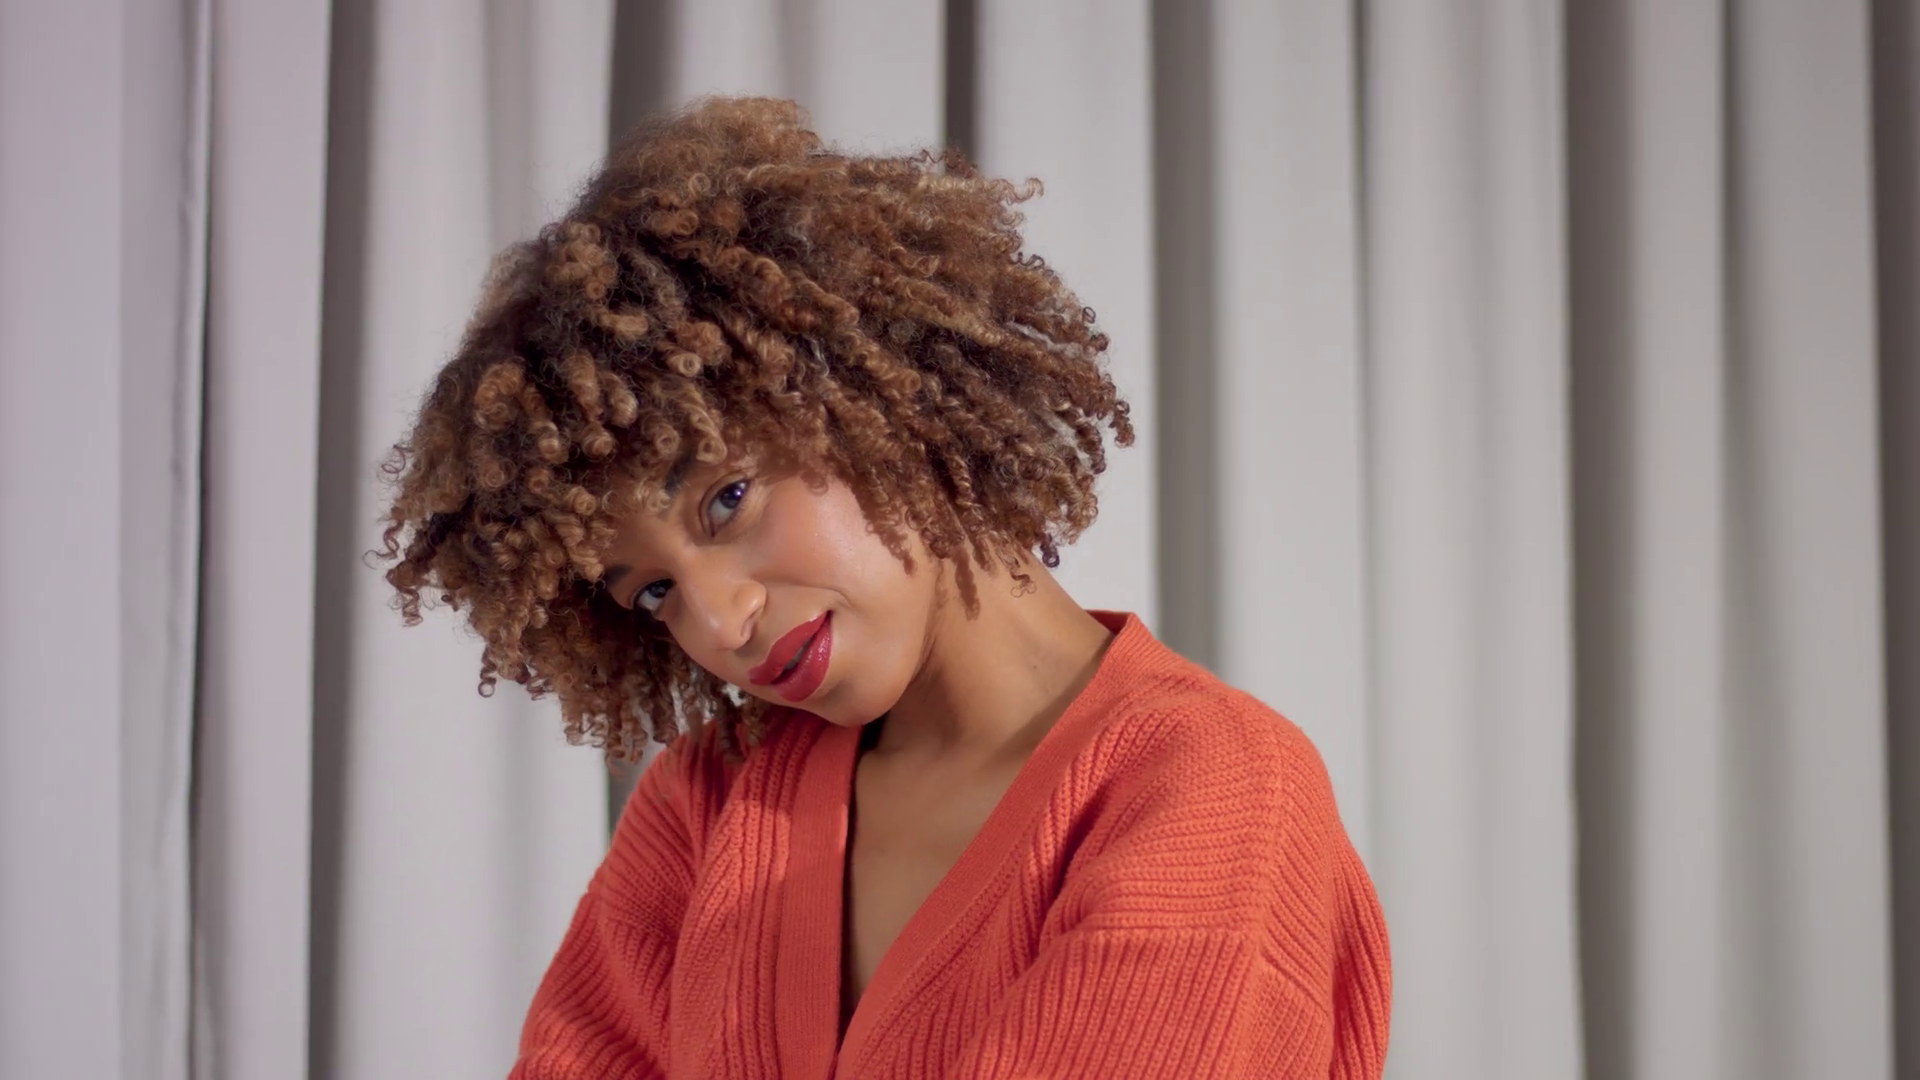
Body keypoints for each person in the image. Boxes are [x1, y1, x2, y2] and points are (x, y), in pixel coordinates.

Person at [378, 96, 1390, 1080]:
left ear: (865, 391)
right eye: (652, 594)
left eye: (727, 500)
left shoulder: (1211, 790)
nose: (721, 621)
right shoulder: (707, 803)